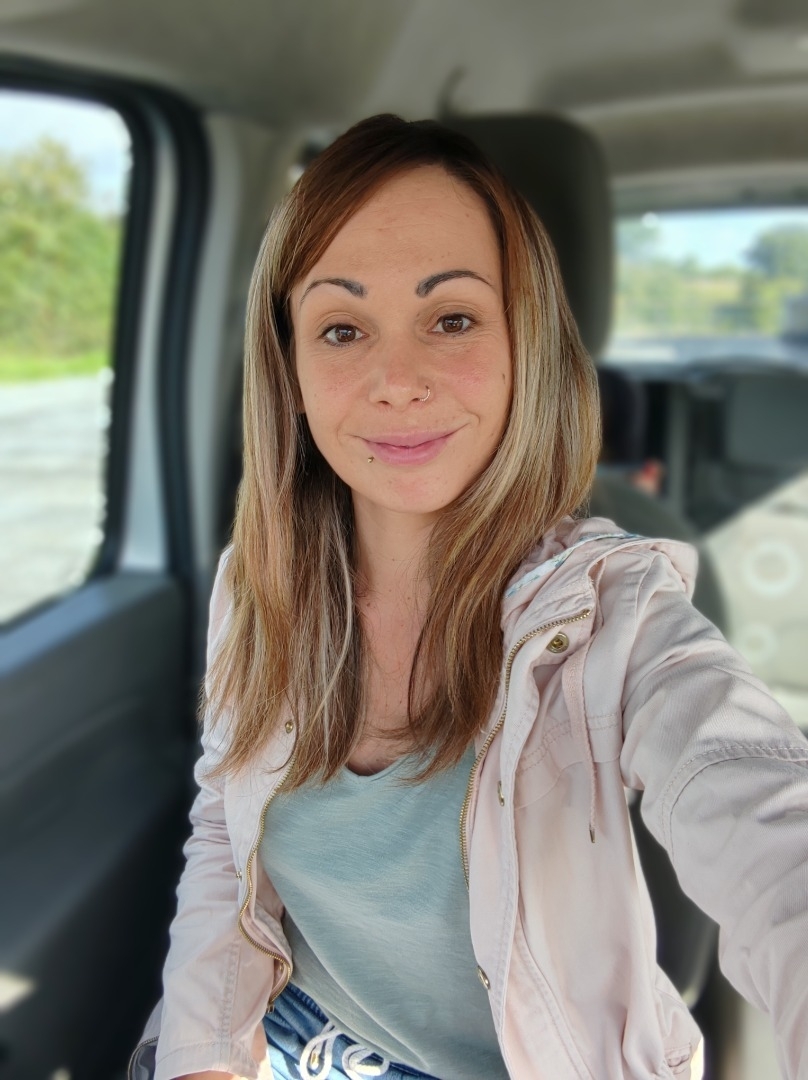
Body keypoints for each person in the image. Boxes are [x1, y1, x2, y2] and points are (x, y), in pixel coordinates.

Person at [130, 115, 808, 1080]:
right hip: (278, 1034)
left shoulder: (610, 613)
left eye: (451, 319)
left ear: (524, 342)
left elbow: (765, 816)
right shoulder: (259, 580)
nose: (397, 381)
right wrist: (203, 1057)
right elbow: (223, 832)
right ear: (290, 369)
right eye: (341, 328)